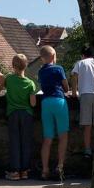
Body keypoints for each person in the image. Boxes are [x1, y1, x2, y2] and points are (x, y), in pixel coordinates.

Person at [0, 53, 37, 181]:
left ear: (13, 65)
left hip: (13, 113)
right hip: (27, 114)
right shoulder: (30, 83)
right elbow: (33, 103)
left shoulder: (9, 79)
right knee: (26, 142)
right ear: (26, 66)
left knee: (14, 142)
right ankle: (24, 171)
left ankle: (15, 171)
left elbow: (2, 85)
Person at [37, 45, 70, 181]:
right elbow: (66, 87)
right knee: (63, 136)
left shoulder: (40, 71)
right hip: (59, 101)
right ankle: (59, 167)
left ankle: (45, 170)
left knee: (47, 138)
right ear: (53, 56)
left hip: (46, 103)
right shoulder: (59, 68)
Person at [70, 47, 94, 158]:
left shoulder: (80, 63)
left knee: (87, 125)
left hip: (85, 94)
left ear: (83, 55)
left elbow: (74, 76)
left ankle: (87, 150)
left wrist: (74, 92)